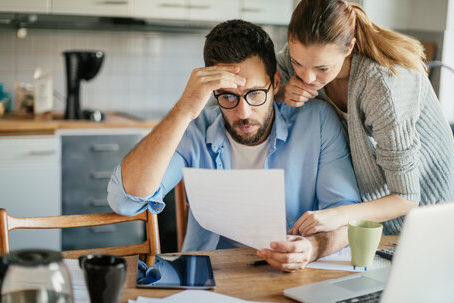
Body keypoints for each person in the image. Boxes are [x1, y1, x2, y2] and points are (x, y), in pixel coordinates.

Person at [107, 19, 361, 272]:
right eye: (228, 95)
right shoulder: (195, 129)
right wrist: (184, 109)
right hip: (212, 277)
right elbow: (126, 202)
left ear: (275, 82)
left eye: (255, 93)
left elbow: (347, 216)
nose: (243, 112)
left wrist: (314, 247)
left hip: (288, 276)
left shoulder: (316, 122)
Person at [276, 0, 454, 237]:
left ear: (349, 47)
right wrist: (282, 92)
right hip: (375, 212)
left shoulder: (382, 86)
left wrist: (339, 214)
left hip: (428, 210)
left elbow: (406, 196)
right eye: (297, 63)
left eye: (322, 68)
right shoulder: (305, 58)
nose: (308, 77)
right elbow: (264, 84)